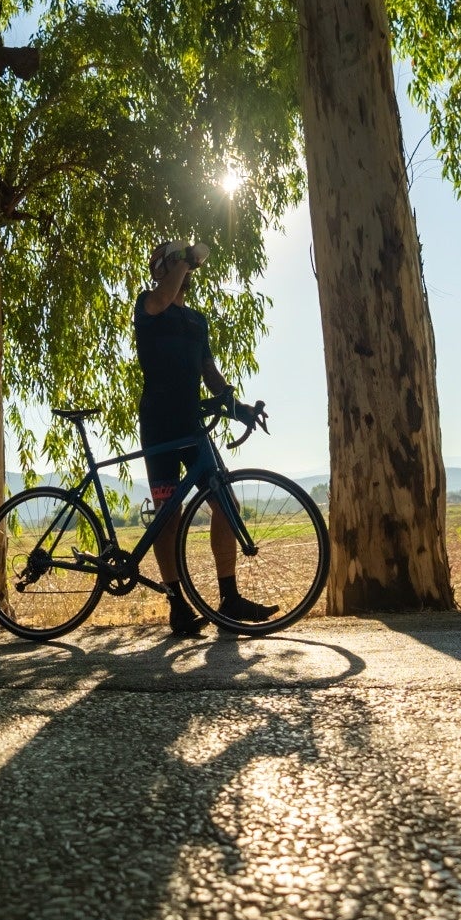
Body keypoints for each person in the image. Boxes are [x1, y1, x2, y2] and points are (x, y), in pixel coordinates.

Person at [136, 239, 273, 636]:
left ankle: (229, 599)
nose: (185, 269)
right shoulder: (148, 305)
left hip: (191, 426)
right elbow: (163, 297)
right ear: (162, 268)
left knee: (226, 504)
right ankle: (177, 604)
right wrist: (184, 257)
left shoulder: (197, 322)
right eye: (174, 262)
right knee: (169, 516)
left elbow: (211, 376)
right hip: (159, 425)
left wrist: (240, 408)